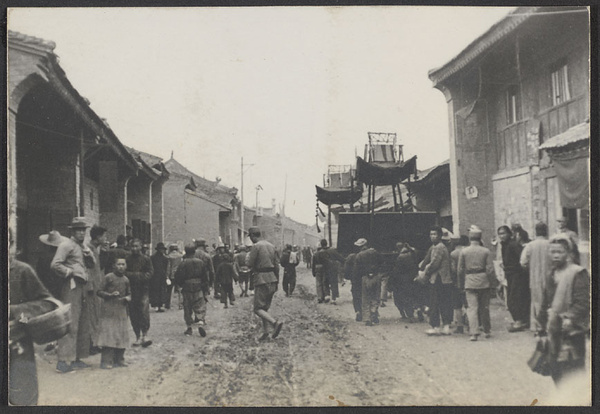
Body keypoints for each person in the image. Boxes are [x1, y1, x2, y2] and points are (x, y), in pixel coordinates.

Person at [537, 235, 589, 386]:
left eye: (559, 252)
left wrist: (570, 317)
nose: (555, 255)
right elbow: (546, 302)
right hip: (554, 331)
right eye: (552, 252)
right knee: (556, 371)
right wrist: (540, 327)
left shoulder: (578, 273)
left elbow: (584, 301)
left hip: (571, 331)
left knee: (573, 371)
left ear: (568, 253)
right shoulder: (551, 274)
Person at [9, 229, 54, 405]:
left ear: (10, 244)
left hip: (18, 348)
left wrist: (14, 311)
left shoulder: (21, 271)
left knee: (23, 399)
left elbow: (47, 305)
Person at [51, 217, 95, 373]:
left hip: (83, 287)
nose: (81, 233)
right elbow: (55, 264)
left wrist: (89, 254)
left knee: (83, 323)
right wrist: (70, 272)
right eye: (78, 230)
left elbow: (92, 265)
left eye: (84, 230)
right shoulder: (66, 245)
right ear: (72, 231)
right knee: (71, 322)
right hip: (71, 286)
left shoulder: (82, 246)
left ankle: (76, 358)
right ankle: (63, 361)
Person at [458, 225, 496, 341]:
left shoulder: (464, 251)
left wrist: (461, 283)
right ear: (480, 238)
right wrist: (492, 283)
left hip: (469, 281)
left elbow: (460, 269)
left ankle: (474, 332)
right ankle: (487, 330)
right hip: (483, 281)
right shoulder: (486, 251)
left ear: (470, 238)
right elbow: (490, 269)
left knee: (472, 308)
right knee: (484, 307)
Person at [246, 226, 283, 340]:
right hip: (272, 278)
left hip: (261, 279)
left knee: (257, 308)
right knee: (264, 308)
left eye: (250, 236)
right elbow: (277, 266)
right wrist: (277, 281)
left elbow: (249, 264)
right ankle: (266, 332)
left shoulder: (256, 247)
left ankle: (274, 323)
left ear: (252, 236)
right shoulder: (271, 246)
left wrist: (247, 259)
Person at [96, 256, 131, 369]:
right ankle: (106, 361)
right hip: (109, 310)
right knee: (109, 334)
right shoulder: (108, 277)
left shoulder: (126, 280)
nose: (121, 267)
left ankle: (119, 359)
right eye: (118, 264)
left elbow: (129, 293)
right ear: (113, 266)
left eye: (123, 264)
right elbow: (99, 291)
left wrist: (128, 298)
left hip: (121, 310)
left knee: (121, 334)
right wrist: (110, 295)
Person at [420, 226, 453, 336]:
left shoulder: (439, 247)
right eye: (431, 234)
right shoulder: (438, 247)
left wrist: (425, 272)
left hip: (438, 278)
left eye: (434, 234)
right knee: (444, 302)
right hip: (444, 279)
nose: (432, 236)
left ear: (439, 236)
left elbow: (434, 263)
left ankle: (436, 326)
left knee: (434, 302)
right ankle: (446, 326)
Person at [520, 222, 552, 332]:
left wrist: (530, 268)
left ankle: (537, 327)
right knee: (549, 301)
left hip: (534, 277)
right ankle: (549, 326)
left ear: (536, 231)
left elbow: (523, 262)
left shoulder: (530, 245)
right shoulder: (551, 244)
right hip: (550, 277)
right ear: (546, 231)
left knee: (536, 302)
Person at [498, 225, 530, 332]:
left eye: (503, 233)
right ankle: (520, 320)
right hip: (510, 275)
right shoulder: (504, 245)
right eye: (500, 234)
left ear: (509, 234)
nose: (501, 236)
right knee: (513, 298)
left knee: (514, 299)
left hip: (517, 275)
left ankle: (520, 321)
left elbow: (522, 258)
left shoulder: (513, 245)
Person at [175, 244, 209, 336]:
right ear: (194, 252)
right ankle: (201, 321)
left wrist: (181, 285)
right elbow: (205, 276)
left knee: (187, 307)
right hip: (198, 287)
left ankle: (189, 327)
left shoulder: (183, 263)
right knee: (200, 305)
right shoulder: (200, 262)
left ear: (186, 252)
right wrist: (205, 287)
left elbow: (178, 276)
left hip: (187, 287)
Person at [126, 238, 154, 347]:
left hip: (143, 289)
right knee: (133, 313)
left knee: (144, 312)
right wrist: (134, 275)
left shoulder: (146, 259)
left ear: (141, 246)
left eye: (137, 246)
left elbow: (150, 272)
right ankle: (137, 336)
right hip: (131, 289)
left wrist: (142, 277)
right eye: (133, 246)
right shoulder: (127, 259)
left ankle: (145, 334)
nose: (135, 248)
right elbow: (124, 271)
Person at [87, 225, 109, 355]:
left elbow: (99, 268)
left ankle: (94, 343)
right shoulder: (89, 249)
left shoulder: (95, 249)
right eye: (104, 236)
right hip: (91, 288)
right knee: (92, 315)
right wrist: (90, 285)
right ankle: (91, 344)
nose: (105, 238)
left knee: (96, 315)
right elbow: (88, 269)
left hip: (96, 286)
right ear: (98, 237)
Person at [354, 238, 382, 326]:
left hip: (365, 277)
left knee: (365, 298)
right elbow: (382, 263)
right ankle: (374, 311)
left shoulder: (359, 255)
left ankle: (367, 318)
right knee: (375, 296)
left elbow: (356, 270)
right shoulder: (375, 252)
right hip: (376, 276)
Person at [390, 242, 419, 322]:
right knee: (411, 297)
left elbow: (397, 270)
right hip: (412, 279)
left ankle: (407, 315)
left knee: (402, 298)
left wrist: (393, 280)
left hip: (402, 281)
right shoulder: (412, 254)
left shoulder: (400, 257)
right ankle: (415, 311)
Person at [37, 230, 67, 298]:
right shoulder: (63, 256)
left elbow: (39, 274)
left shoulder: (43, 257)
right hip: (61, 288)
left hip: (47, 288)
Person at [449, 235, 469, 334]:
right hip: (469, 281)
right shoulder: (469, 251)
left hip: (457, 282)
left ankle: (460, 326)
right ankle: (471, 324)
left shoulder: (453, 254)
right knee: (468, 304)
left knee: (457, 305)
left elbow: (453, 270)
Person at [344, 240, 362, 321]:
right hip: (366, 278)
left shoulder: (351, 256)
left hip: (355, 279)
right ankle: (371, 312)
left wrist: (348, 277)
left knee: (356, 295)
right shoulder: (368, 254)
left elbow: (346, 269)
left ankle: (358, 311)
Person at [150, 242, 169, 312]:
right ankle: (156, 305)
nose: (162, 250)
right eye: (161, 249)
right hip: (155, 276)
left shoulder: (165, 259)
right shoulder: (152, 258)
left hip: (161, 276)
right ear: (158, 249)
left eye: (163, 249)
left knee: (162, 290)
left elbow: (165, 268)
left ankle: (160, 305)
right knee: (155, 290)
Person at [312, 239, 332, 303]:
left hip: (317, 268)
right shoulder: (324, 252)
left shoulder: (315, 254)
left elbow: (313, 264)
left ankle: (320, 297)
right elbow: (327, 262)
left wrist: (313, 272)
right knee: (325, 281)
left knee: (318, 283)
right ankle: (326, 295)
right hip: (324, 268)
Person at [165, 243, 183, 310]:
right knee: (180, 290)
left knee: (169, 290)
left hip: (171, 275)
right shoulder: (180, 256)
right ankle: (181, 305)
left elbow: (168, 267)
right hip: (179, 274)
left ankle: (167, 304)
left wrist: (167, 276)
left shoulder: (168, 256)